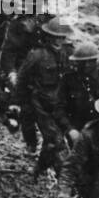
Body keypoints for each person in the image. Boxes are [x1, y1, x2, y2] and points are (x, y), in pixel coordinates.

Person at [13, 16, 73, 177]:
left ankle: (40, 168)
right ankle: (65, 179)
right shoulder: (37, 55)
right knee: (56, 141)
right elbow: (22, 78)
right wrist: (18, 103)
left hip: (63, 106)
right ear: (49, 36)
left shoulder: (69, 53)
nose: (59, 40)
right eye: (56, 37)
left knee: (51, 142)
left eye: (61, 37)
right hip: (41, 105)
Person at [0, 0, 52, 156]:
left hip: (47, 68)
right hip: (24, 68)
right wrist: (11, 72)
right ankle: (30, 142)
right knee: (26, 109)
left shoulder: (50, 22)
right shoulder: (17, 24)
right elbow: (9, 51)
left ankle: (48, 145)